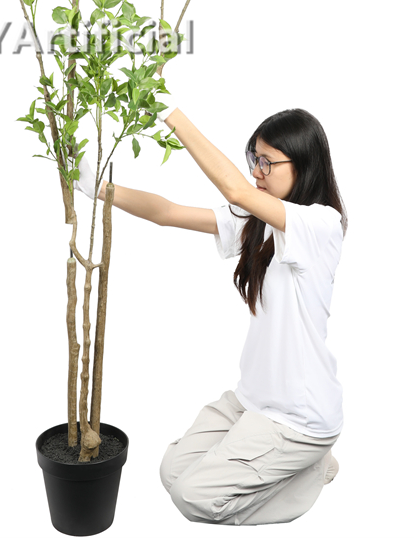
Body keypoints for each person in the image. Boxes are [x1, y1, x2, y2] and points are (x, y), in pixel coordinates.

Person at [74, 90, 347, 527]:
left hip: (299, 417)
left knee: (192, 498)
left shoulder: (320, 224)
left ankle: (310, 469)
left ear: (304, 164)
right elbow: (167, 212)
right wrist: (98, 190)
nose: (256, 171)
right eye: (253, 158)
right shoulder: (257, 222)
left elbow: (233, 187)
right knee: (172, 473)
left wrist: (166, 107)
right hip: (252, 401)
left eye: (267, 162)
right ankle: (294, 464)